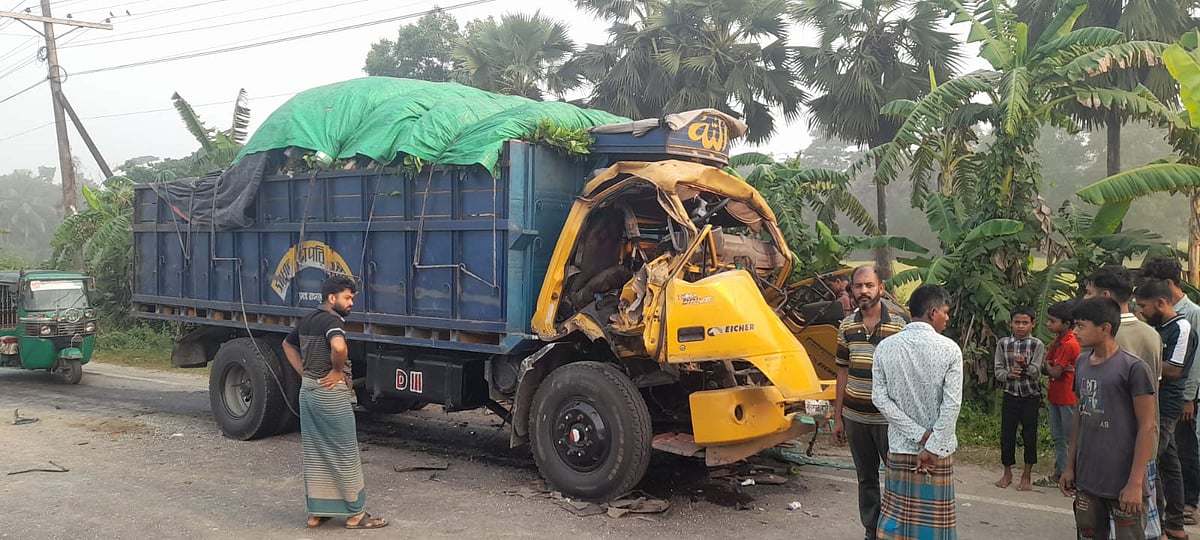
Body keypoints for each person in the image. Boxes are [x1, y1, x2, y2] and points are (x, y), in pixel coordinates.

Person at [281, 275, 388, 530]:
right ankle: (355, 514)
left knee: (316, 453)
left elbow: (287, 345)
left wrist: (305, 373)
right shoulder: (332, 321)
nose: (351, 303)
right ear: (332, 298)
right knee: (344, 452)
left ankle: (317, 513)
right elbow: (339, 348)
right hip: (330, 395)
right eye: (347, 298)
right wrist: (337, 371)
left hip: (309, 392)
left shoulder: (308, 319)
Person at [1061, 296, 1158, 540]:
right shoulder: (1082, 363)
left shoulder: (1133, 368)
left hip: (1123, 479)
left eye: (1081, 326)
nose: (1075, 332)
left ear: (1105, 328)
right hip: (1088, 478)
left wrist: (1135, 482)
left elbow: (1147, 426)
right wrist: (1070, 467)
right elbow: (1079, 419)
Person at [872, 284, 963, 539]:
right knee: (935, 528)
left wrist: (918, 435)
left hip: (900, 448)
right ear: (933, 313)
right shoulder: (950, 349)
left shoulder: (885, 347)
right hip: (938, 452)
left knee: (897, 523)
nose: (947, 318)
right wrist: (932, 445)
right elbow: (952, 404)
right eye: (945, 312)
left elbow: (879, 398)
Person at [1085, 265, 1164, 540]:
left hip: (1114, 447)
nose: (1085, 298)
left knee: (1121, 522)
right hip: (1144, 445)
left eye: (1089, 293)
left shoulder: (1102, 337)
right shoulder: (1151, 334)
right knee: (1140, 525)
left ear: (1105, 295)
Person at [832, 265, 910, 540]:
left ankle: (895, 532)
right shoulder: (846, 325)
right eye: (858, 286)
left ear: (881, 288)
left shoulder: (899, 326)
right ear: (851, 289)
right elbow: (842, 371)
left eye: (869, 285)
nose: (863, 291)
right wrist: (838, 417)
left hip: (888, 420)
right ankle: (871, 532)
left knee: (897, 478)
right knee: (866, 479)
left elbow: (906, 374)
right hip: (855, 418)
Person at [1137, 279, 1198, 540]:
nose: (1141, 312)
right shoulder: (1158, 327)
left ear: (1161, 303)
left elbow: (1174, 369)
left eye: (1143, 306)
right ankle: (1173, 522)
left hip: (1167, 404)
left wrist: (1137, 364)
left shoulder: (1181, 327)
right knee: (1169, 464)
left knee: (1152, 461)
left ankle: (1159, 524)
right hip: (1156, 400)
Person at [993, 307, 1045, 492]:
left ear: (1033, 324)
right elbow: (998, 370)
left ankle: (1026, 475)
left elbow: (1037, 372)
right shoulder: (1003, 344)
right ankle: (1007, 473)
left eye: (1025, 323)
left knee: (1029, 436)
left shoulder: (1037, 344)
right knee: (1007, 435)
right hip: (1011, 393)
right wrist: (1008, 374)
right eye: (1017, 322)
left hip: (1030, 395)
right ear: (1011, 324)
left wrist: (1024, 365)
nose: (1021, 326)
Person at [1037, 300, 1080, 489]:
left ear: (1066, 324)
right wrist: (1051, 366)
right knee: (1058, 437)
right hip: (1056, 395)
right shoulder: (1057, 341)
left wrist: (1049, 365)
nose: (1048, 324)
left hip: (1067, 396)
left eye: (1052, 321)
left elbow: (1054, 371)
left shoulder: (1069, 344)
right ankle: (1060, 471)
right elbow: (1049, 368)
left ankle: (1071, 474)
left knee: (1069, 438)